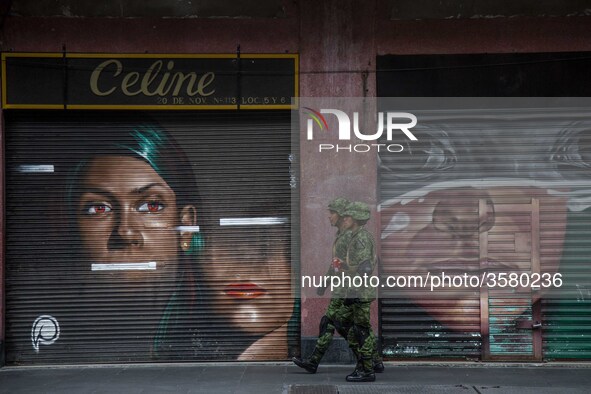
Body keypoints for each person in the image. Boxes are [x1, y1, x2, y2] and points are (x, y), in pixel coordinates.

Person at [66, 121, 206, 360]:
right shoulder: (57, 321)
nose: (125, 232)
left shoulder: (218, 318)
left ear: (186, 228)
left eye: (151, 205)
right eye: (99, 208)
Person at [292, 197, 353, 372]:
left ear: (341, 216)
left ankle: (313, 362)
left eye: (332, 212)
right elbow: (336, 264)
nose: (329, 216)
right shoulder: (341, 235)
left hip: (347, 289)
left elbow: (349, 265)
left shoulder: (347, 238)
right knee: (348, 325)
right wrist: (325, 282)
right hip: (343, 288)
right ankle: (373, 360)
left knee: (331, 323)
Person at [340, 201, 380, 382]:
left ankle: (366, 370)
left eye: (347, 216)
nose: (344, 219)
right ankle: (374, 362)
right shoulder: (357, 236)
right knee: (360, 329)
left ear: (356, 218)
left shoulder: (362, 238)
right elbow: (360, 266)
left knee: (360, 331)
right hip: (359, 290)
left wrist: (354, 292)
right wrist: (346, 267)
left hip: (360, 291)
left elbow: (365, 269)